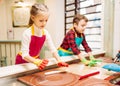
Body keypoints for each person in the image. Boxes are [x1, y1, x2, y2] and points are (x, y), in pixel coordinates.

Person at [15, 3, 68, 70]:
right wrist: (36, 61)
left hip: (36, 60)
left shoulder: (45, 33)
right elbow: (25, 55)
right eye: (41, 20)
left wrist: (59, 60)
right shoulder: (27, 33)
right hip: (22, 63)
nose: (44, 23)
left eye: (46, 20)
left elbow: (53, 50)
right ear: (33, 18)